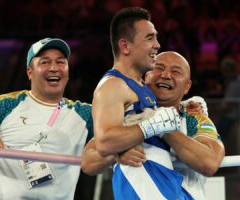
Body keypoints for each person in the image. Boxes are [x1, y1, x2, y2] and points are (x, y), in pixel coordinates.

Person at [0, 38, 93, 200]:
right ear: (30, 72)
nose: (54, 68)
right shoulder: (4, 104)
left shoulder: (85, 114)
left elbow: (116, 135)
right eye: (45, 62)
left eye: (60, 62)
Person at [82, 51, 225, 199]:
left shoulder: (193, 117)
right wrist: (116, 153)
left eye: (175, 71)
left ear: (187, 86)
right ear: (145, 77)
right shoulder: (130, 117)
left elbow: (210, 162)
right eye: (159, 68)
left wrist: (162, 127)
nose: (166, 75)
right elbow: (88, 162)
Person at [91, 7, 190, 199]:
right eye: (149, 38)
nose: (157, 45)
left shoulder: (141, 86)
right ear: (125, 46)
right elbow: (104, 143)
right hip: (141, 189)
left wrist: (185, 105)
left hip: (161, 186)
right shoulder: (113, 86)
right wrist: (150, 126)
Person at [216, 57, 240, 148]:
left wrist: (216, 110)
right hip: (234, 116)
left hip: (229, 117)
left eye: (224, 71)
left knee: (216, 137)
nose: (223, 73)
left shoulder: (235, 83)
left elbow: (228, 106)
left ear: (228, 70)